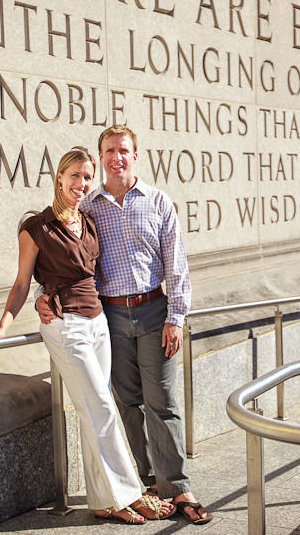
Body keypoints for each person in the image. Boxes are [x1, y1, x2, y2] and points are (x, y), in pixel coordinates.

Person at [0, 148, 175, 525]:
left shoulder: (88, 220)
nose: (82, 184)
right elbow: (22, 282)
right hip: (63, 322)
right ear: (59, 176)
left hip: (97, 319)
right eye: (75, 176)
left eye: (88, 177)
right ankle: (131, 494)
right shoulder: (35, 227)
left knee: (94, 409)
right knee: (102, 407)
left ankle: (103, 500)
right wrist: (4, 324)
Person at [37, 125, 212, 525]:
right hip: (108, 317)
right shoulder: (89, 206)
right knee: (125, 404)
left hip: (154, 312)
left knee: (162, 402)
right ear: (101, 158)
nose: (117, 157)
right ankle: (141, 484)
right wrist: (43, 294)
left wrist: (176, 318)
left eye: (124, 150)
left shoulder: (157, 201)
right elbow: (63, 259)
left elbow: (176, 264)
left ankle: (177, 486)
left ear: (136, 155)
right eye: (109, 150)